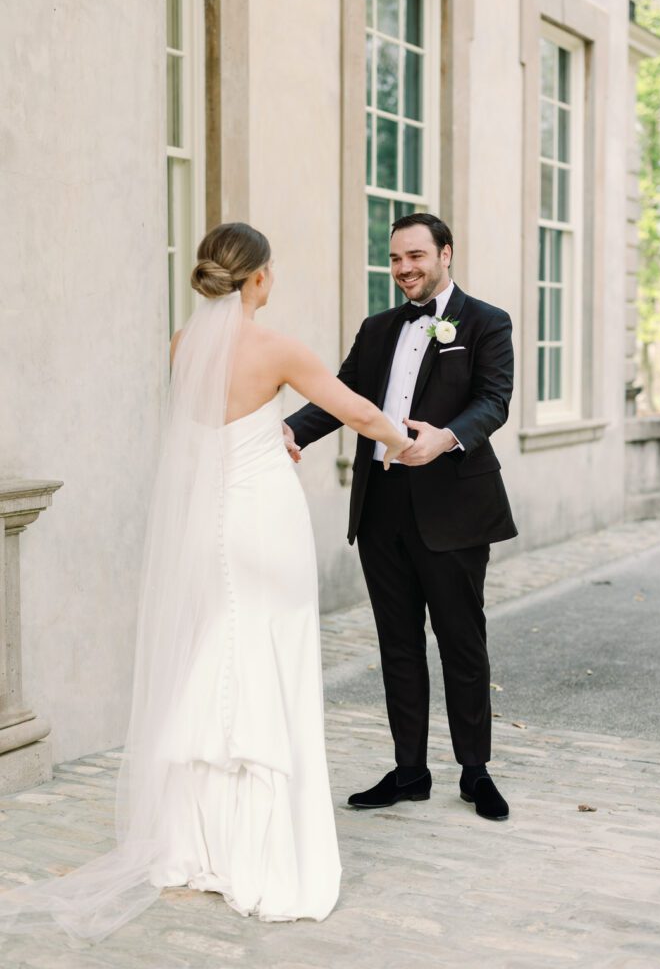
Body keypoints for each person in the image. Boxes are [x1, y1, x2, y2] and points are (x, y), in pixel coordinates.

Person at [0, 222, 410, 942]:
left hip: (209, 522)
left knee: (216, 658)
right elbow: (358, 412)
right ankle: (265, 853)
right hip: (262, 523)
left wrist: (272, 433)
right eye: (270, 271)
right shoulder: (276, 347)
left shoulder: (182, 347)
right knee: (271, 659)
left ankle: (198, 845)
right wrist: (409, 443)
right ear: (256, 278)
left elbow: (211, 432)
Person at [284, 213, 517, 821]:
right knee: (397, 645)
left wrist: (447, 437)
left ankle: (475, 770)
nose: (404, 269)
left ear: (445, 254)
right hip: (381, 507)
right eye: (395, 259)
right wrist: (292, 432)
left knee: (462, 642)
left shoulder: (488, 321)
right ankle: (409, 770)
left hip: (455, 511)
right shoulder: (377, 326)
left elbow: (494, 400)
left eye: (416, 255)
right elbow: (342, 397)